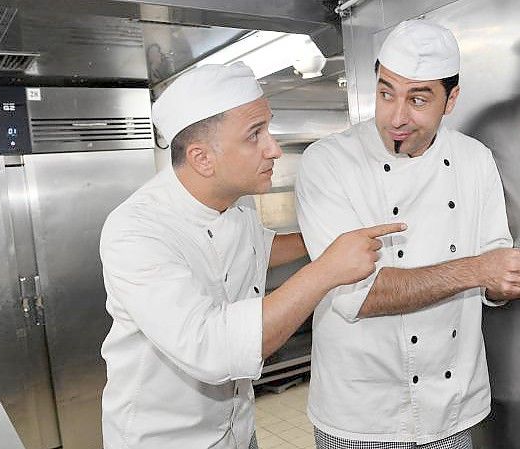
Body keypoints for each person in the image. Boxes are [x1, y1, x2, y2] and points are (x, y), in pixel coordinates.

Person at [294, 19, 520, 449]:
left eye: (418, 99)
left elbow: (494, 275)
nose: (397, 117)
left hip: (454, 408)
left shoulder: (473, 158)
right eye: (386, 93)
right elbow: (358, 295)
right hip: (363, 413)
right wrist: (478, 268)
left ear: (451, 99)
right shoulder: (327, 164)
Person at [99, 62, 405, 449]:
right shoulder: (136, 231)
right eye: (254, 135)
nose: (273, 148)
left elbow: (261, 248)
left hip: (237, 430)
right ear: (202, 158)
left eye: (268, 128)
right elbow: (211, 348)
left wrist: (334, 237)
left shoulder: (237, 205)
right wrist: (327, 269)